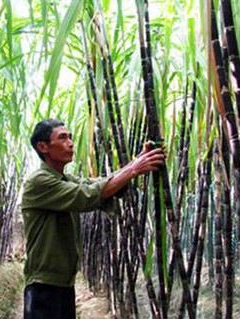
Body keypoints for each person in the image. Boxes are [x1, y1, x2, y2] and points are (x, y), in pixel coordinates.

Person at [22, 119, 165, 318]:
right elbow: (88, 195)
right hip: (44, 287)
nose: (70, 143)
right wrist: (134, 169)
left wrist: (137, 161)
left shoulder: (65, 180)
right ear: (43, 147)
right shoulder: (39, 182)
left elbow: (100, 184)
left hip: (62, 283)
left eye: (70, 137)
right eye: (62, 138)